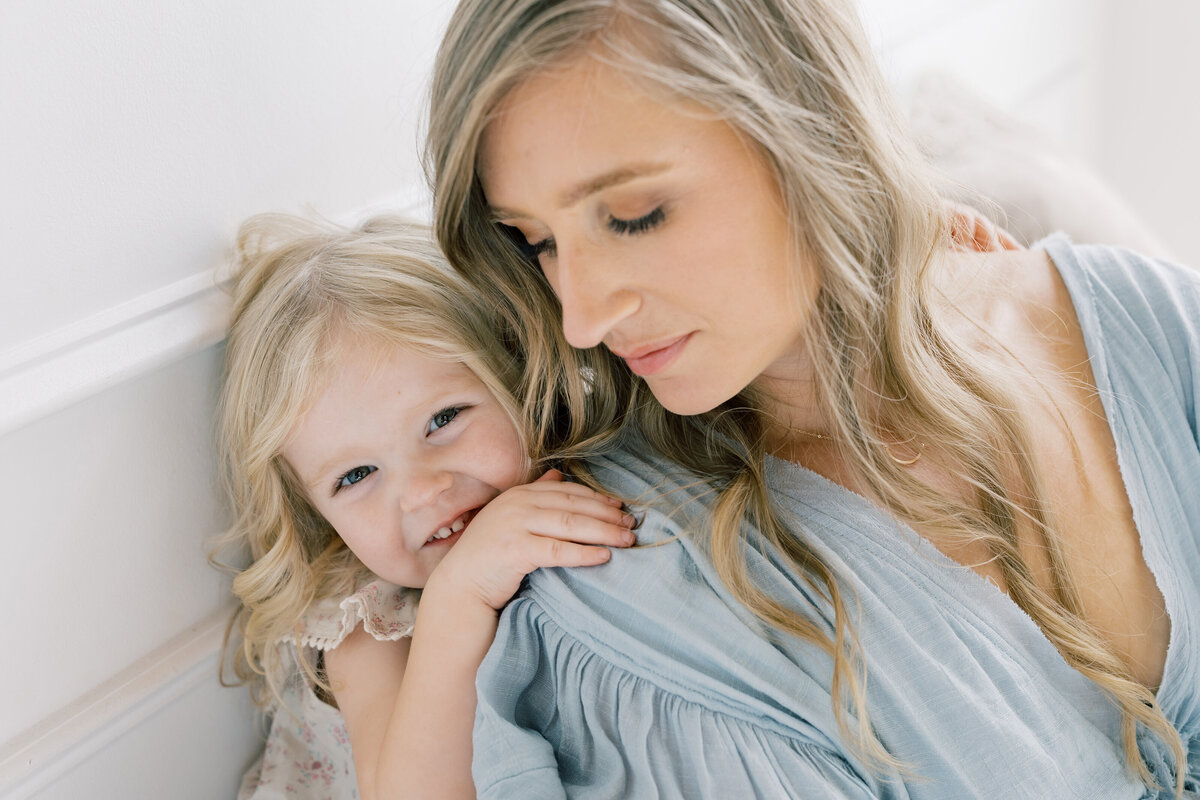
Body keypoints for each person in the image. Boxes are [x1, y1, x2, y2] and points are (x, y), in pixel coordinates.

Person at [424, 0, 1200, 797]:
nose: (581, 319)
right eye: (535, 241)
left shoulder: (1155, 323)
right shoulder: (633, 589)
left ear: (812, 133)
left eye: (634, 217)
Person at [213, 214, 636, 799]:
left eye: (442, 421)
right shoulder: (366, 626)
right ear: (314, 512)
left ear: (518, 376)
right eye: (356, 475)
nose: (419, 491)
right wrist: (458, 596)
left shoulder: (588, 474)